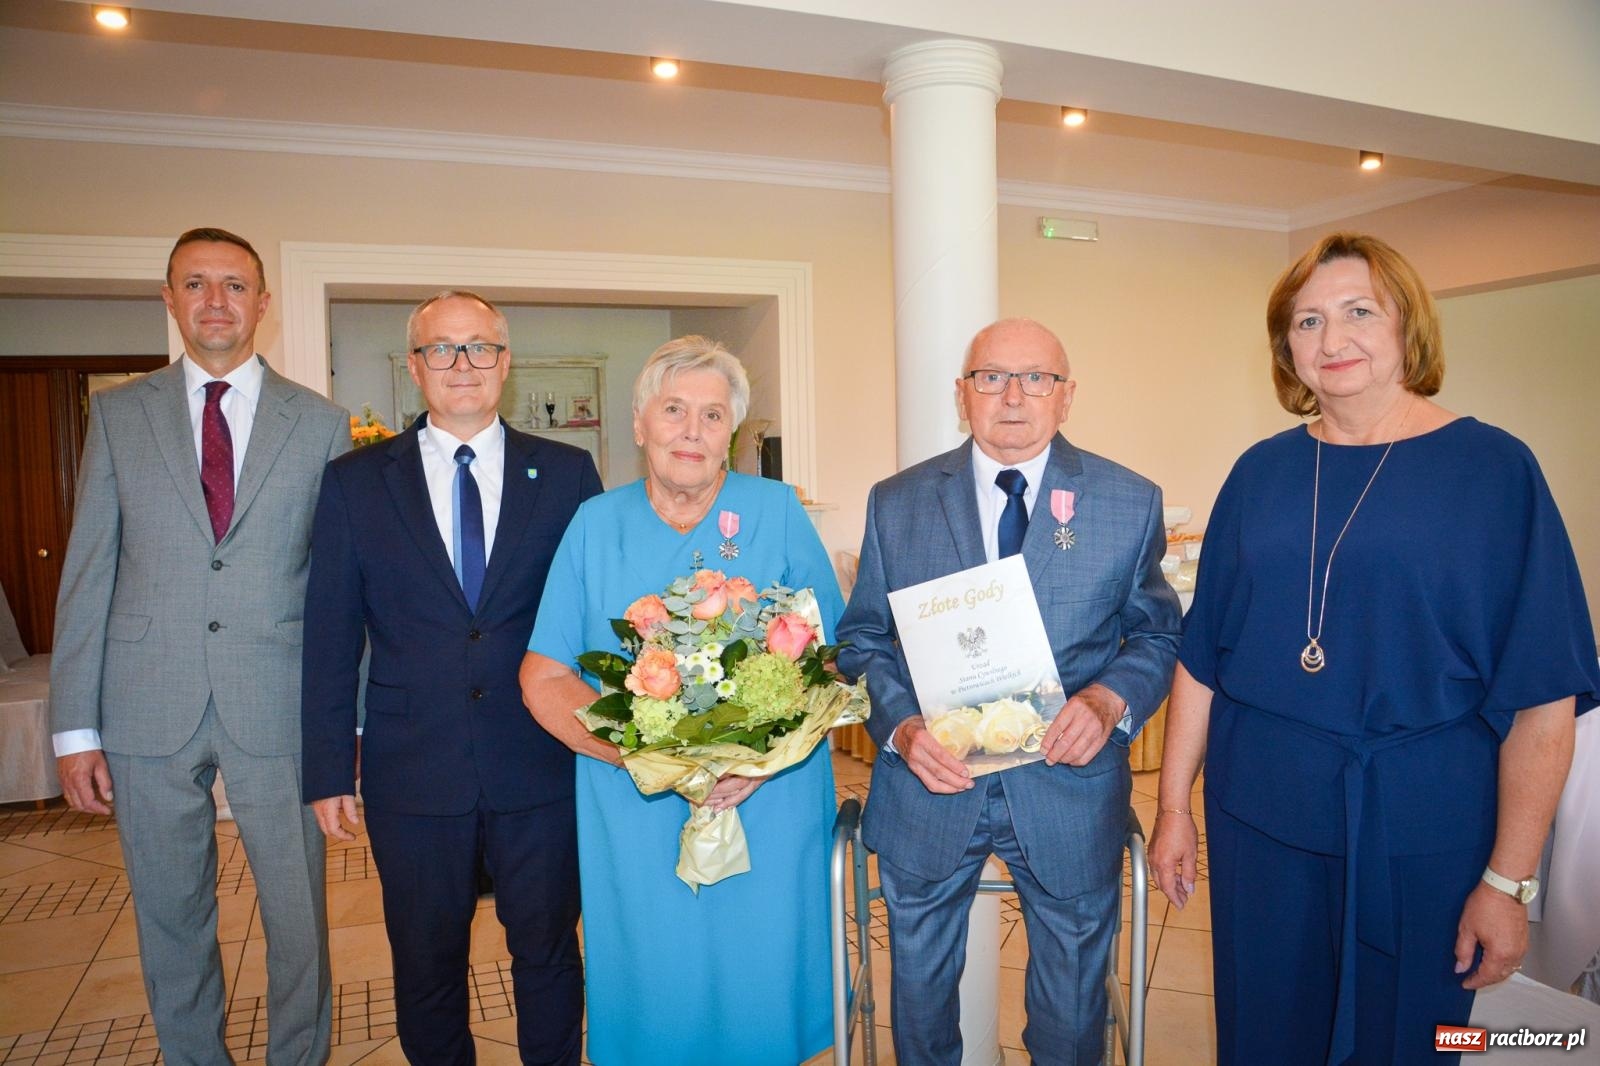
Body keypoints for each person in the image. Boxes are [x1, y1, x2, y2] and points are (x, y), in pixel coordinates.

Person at [1147, 233, 1599, 1066]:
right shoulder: (1260, 474)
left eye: (1359, 312)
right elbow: (1203, 657)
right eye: (1307, 321)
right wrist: (1174, 808)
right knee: (1266, 1030)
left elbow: (1546, 696)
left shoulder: (1496, 471)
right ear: (1287, 348)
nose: (1332, 339)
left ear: (1406, 328)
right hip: (1262, 820)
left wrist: (1507, 882)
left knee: (1412, 1039)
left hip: (1422, 822)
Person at [836, 317, 1182, 1064]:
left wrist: (1109, 702)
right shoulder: (897, 502)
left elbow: (1157, 636)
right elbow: (861, 640)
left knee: (1068, 1016)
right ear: (963, 394)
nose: (1014, 395)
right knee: (922, 1009)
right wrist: (900, 728)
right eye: (991, 376)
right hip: (932, 782)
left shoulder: (1129, 501)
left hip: (1069, 788)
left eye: (1038, 378)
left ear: (1067, 397)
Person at [50, 227, 346, 1065]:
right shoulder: (117, 415)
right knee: (169, 914)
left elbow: (335, 588)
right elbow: (88, 573)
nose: (216, 301)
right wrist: (76, 729)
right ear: (170, 299)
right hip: (145, 702)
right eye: (196, 284)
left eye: (234, 285)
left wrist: (344, 720)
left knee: (298, 919)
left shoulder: (320, 423)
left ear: (263, 302)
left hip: (278, 702)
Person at [520, 336, 843, 1065]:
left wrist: (759, 763)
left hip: (768, 800)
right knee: (652, 984)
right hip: (634, 804)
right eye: (673, 410)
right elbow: (543, 676)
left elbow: (834, 658)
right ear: (640, 425)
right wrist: (645, 758)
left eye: (711, 414)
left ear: (731, 433)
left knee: (764, 983)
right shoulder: (594, 525)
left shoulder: (779, 510)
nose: (691, 430)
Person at [301, 291, 601, 1065]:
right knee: (428, 965)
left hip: (539, 762)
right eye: (442, 349)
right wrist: (329, 768)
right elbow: (331, 635)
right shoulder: (356, 482)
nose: (461, 365)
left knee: (548, 953)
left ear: (505, 362)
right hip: (412, 768)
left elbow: (600, 625)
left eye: (478, 348)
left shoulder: (567, 474)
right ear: (415, 366)